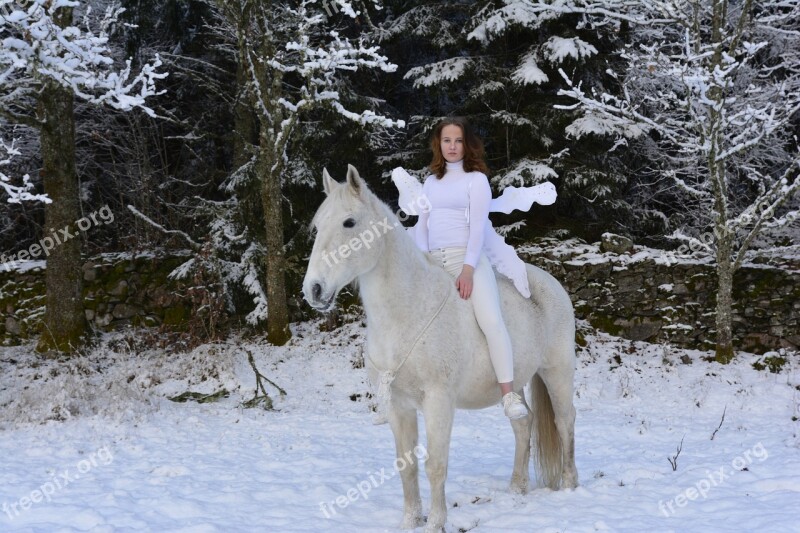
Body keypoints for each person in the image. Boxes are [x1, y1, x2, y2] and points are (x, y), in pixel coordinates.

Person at [414, 117, 528, 420]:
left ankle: (509, 395)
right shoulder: (430, 182)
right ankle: (400, 392)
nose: (452, 146)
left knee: (491, 320)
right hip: (434, 264)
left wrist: (467, 270)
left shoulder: (476, 180)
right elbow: (422, 226)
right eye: (447, 140)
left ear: (467, 144)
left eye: (458, 140)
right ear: (438, 144)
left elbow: (477, 230)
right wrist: (424, 264)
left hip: (468, 261)